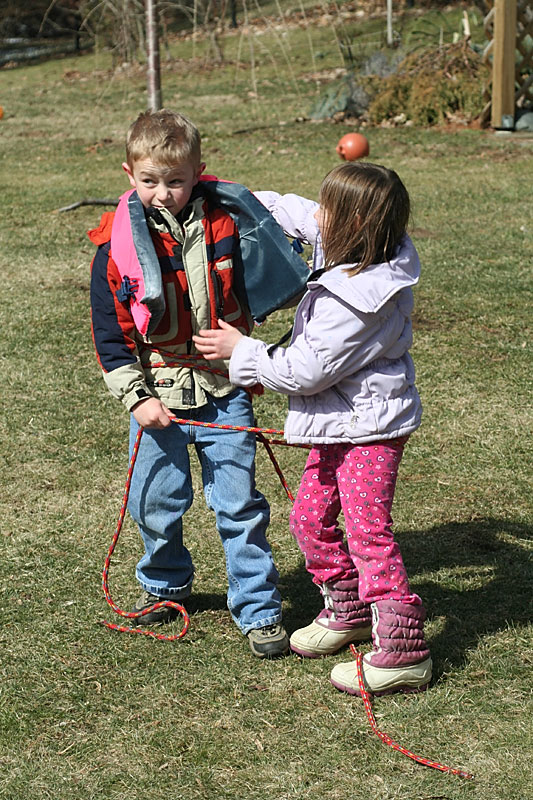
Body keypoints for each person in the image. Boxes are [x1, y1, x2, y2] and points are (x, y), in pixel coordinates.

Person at [193, 162, 432, 694]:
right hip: (338, 419)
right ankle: (346, 606)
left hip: (370, 428)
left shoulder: (360, 300)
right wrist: (228, 193)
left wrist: (243, 351)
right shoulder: (359, 243)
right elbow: (298, 213)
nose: (318, 217)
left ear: (354, 226)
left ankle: (403, 650)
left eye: (331, 210)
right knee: (308, 517)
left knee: (368, 532)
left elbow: (304, 370)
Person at [89, 108, 291, 658]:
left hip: (225, 393)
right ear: (130, 174)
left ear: (199, 171)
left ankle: (258, 609)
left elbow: (274, 277)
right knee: (154, 502)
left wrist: (258, 347)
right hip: (159, 396)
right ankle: (167, 587)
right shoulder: (115, 245)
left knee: (239, 506)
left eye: (176, 181)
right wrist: (137, 399)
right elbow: (110, 337)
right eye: (150, 181)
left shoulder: (228, 223)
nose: (163, 193)